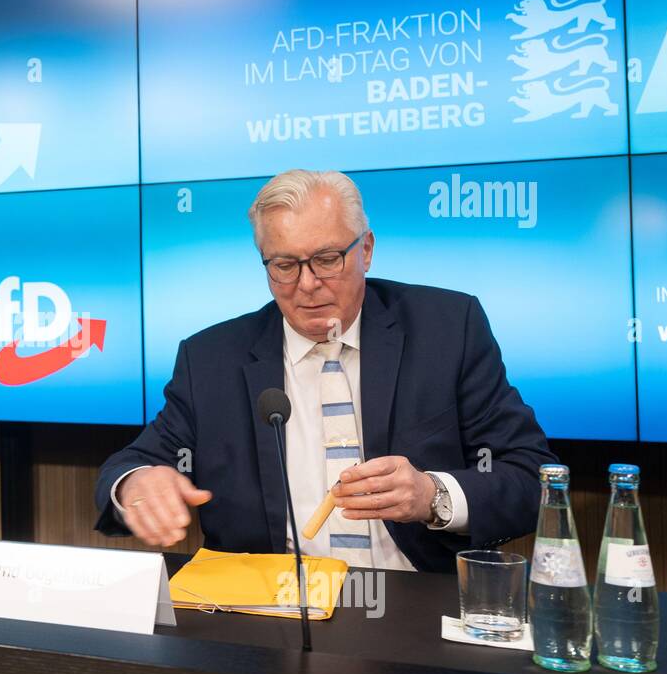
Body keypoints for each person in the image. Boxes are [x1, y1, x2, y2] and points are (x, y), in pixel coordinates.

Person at [94, 169, 556, 572]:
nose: (308, 284)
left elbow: (532, 476)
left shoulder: (448, 329)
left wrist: (430, 494)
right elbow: (130, 465)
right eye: (284, 265)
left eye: (327, 259)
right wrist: (137, 483)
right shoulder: (211, 359)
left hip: (417, 602)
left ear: (366, 250)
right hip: (271, 614)